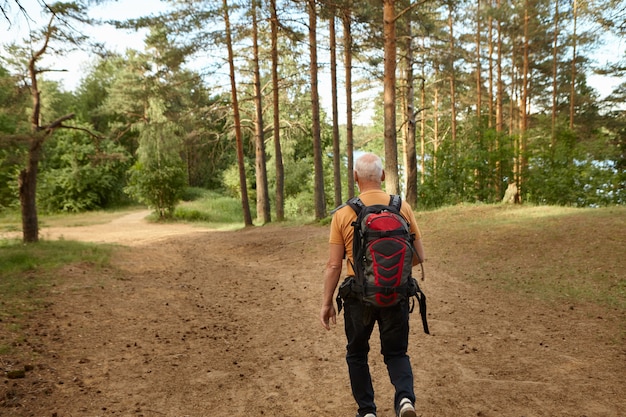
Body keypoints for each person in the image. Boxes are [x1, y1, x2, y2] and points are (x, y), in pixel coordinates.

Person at [320, 152, 426, 417]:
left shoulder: (343, 213)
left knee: (357, 354)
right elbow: (419, 255)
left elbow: (334, 265)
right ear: (382, 176)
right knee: (396, 353)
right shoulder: (402, 207)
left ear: (355, 177)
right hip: (397, 294)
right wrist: (392, 273)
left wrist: (326, 303)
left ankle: (367, 411)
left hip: (358, 297)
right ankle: (404, 400)